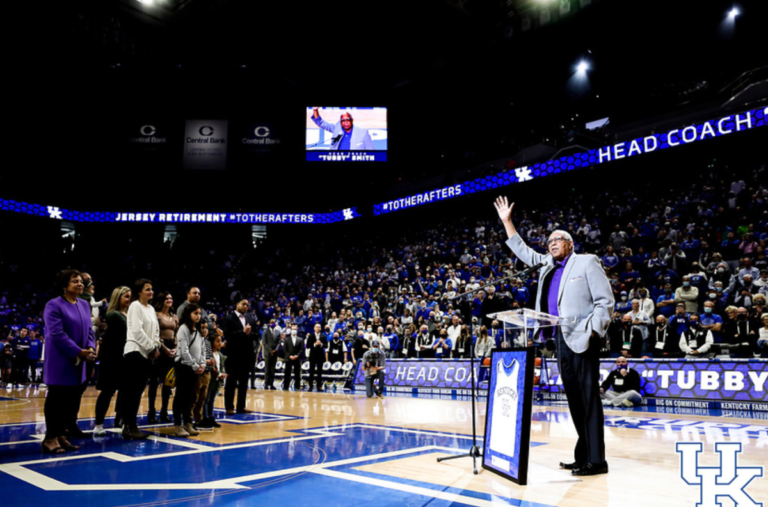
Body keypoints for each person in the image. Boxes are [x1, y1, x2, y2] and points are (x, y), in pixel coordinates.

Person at [495, 196, 613, 477]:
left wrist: (595, 331)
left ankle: (597, 461)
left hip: (583, 338)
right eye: (548, 242)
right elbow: (524, 252)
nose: (551, 243)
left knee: (588, 399)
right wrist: (507, 222)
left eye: (557, 239)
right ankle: (583, 455)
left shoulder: (586, 262)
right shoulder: (547, 265)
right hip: (559, 339)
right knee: (574, 400)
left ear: (570, 244)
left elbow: (605, 301)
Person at [41, 270, 97, 454]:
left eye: (81, 281)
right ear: (64, 285)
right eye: (75, 281)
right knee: (57, 400)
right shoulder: (53, 305)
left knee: (71, 402)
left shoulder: (84, 304)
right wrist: (78, 351)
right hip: (61, 361)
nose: (80, 284)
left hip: (79, 361)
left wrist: (89, 347)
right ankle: (50, 438)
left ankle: (62, 435)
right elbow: (56, 334)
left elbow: (89, 330)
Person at [122, 279, 161, 440]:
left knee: (138, 392)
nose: (151, 292)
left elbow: (156, 331)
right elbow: (137, 331)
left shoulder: (151, 308)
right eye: (147, 289)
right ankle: (129, 426)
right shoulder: (135, 306)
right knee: (132, 392)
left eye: (152, 289)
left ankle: (131, 426)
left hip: (146, 353)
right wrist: (151, 347)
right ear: (139, 292)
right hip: (135, 351)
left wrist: (156, 346)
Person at [93, 286, 131, 436]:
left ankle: (119, 419)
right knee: (107, 391)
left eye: (130, 296)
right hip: (112, 359)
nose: (129, 299)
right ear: (118, 297)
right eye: (126, 296)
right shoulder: (114, 315)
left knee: (123, 391)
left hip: (124, 358)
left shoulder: (126, 314)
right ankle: (98, 424)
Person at [174, 303, 204, 437]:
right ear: (188, 314)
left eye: (199, 313)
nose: (198, 316)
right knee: (181, 396)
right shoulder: (183, 328)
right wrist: (195, 365)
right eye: (195, 313)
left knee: (190, 397)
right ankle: (177, 425)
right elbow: (184, 351)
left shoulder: (198, 331)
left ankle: (188, 423)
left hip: (194, 369)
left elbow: (202, 350)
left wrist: (202, 363)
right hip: (184, 367)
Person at [222, 299, 257, 413]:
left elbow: (256, 335)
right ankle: (229, 407)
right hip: (233, 355)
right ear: (237, 304)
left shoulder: (251, 319)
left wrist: (248, 333)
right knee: (231, 382)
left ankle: (241, 406)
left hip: (246, 355)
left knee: (244, 383)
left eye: (247, 305)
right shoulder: (229, 318)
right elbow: (227, 335)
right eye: (243, 304)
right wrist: (242, 332)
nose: (245, 306)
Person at [148, 292, 178, 424]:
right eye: (166, 298)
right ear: (161, 300)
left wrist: (176, 348)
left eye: (171, 298)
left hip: (172, 348)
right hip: (159, 348)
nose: (169, 300)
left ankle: (164, 411)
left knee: (168, 383)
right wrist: (164, 348)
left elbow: (176, 334)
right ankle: (151, 412)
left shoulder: (175, 316)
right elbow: (154, 333)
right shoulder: (155, 315)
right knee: (154, 382)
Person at [202, 333, 227, 429]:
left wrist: (223, 373)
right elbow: (212, 367)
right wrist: (219, 374)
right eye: (217, 341)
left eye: (220, 341)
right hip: (210, 380)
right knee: (206, 400)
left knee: (212, 400)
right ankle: (205, 417)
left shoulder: (220, 354)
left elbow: (222, 366)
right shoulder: (209, 355)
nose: (220, 343)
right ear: (211, 343)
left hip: (217, 382)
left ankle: (211, 417)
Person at [306, 323, 327, 391]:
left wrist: (321, 344)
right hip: (312, 356)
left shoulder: (323, 336)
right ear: (314, 328)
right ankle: (310, 386)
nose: (318, 328)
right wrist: (315, 344)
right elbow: (308, 346)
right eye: (317, 327)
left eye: (319, 327)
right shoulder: (311, 336)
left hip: (320, 356)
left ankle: (319, 386)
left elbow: (326, 345)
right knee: (311, 371)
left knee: (319, 372)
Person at [283, 323, 304, 390]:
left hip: (297, 358)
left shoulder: (300, 339)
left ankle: (297, 386)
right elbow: (285, 350)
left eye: (295, 328)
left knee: (297, 374)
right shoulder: (286, 339)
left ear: (297, 329)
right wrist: (290, 356)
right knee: (287, 373)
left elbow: (301, 349)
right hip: (289, 358)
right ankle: (286, 386)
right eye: (293, 329)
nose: (294, 330)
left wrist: (297, 355)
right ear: (291, 329)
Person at [261, 322, 279, 390]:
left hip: (275, 353)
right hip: (268, 353)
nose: (272, 324)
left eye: (273, 323)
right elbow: (264, 342)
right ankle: (266, 384)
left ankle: (271, 384)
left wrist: (275, 350)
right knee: (267, 369)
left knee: (272, 370)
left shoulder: (277, 332)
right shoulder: (265, 331)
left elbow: (279, 342)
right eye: (271, 322)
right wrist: (270, 350)